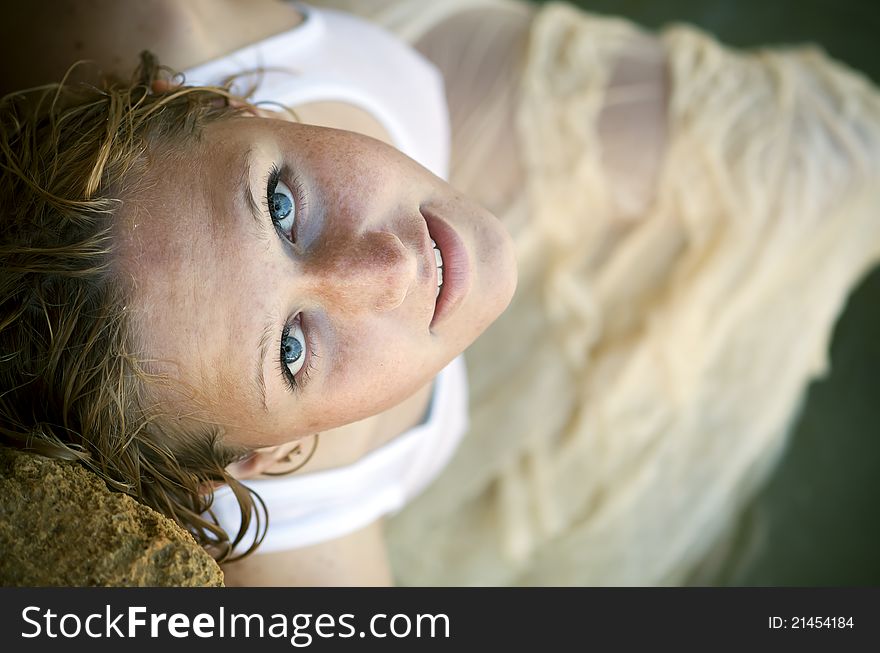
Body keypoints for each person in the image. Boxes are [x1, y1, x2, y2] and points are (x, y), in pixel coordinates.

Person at [1, 0, 878, 586]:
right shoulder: (309, 551)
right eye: (292, 349)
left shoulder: (128, 20)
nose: (389, 270)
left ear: (211, 100)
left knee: (835, 153)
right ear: (250, 464)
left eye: (279, 206)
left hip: (440, 92)